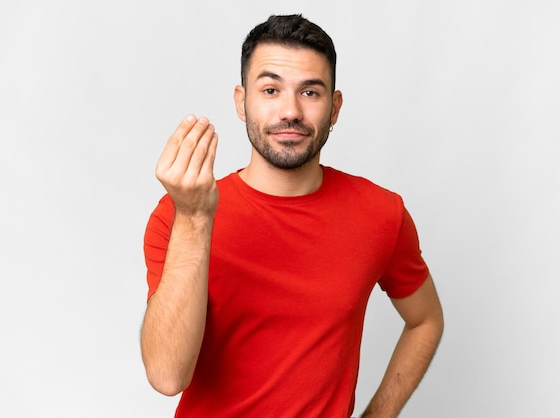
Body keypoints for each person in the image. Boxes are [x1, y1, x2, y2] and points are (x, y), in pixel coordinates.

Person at [140, 14, 444, 418]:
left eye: (311, 93)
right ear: (241, 101)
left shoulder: (381, 214)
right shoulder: (178, 216)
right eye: (270, 89)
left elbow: (425, 321)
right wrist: (195, 218)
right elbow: (166, 375)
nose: (291, 111)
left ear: (334, 108)